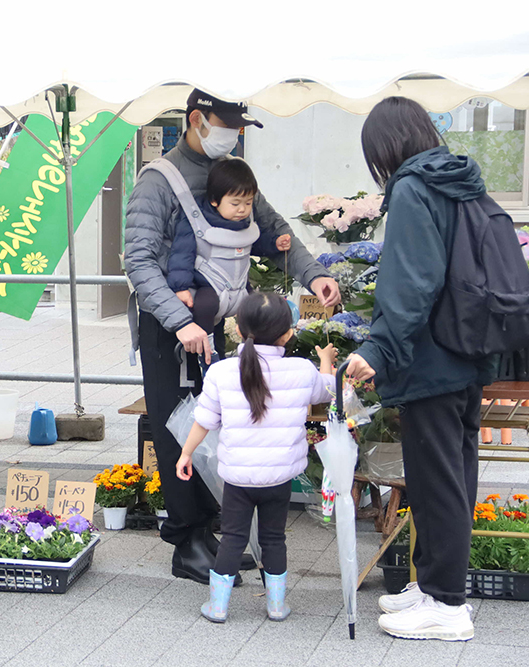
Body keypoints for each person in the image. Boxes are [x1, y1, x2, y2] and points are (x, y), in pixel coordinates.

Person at [124, 88, 341, 586]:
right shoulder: (159, 181)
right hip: (172, 329)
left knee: (215, 422)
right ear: (197, 120)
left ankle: (210, 530)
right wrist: (181, 323)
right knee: (177, 426)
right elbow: (138, 260)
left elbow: (276, 229)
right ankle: (186, 539)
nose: (234, 135)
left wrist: (313, 275)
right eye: (227, 124)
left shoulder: (234, 176)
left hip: (216, 326)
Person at [346, 96, 496, 642]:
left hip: (431, 356)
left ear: (388, 145)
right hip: (468, 351)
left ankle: (447, 604)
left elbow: (412, 281)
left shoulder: (413, 188)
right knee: (452, 476)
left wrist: (377, 350)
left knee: (437, 482)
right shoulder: (459, 180)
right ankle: (434, 585)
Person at [175, 292, 336, 622]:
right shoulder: (301, 370)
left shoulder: (222, 372)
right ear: (288, 333)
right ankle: (276, 606)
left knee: (233, 538)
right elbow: (328, 389)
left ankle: (218, 607)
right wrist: (326, 360)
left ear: (239, 328)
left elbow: (203, 420)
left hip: (237, 477)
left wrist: (185, 453)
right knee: (274, 538)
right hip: (279, 478)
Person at [166, 158, 292, 368]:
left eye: (248, 203)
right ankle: (208, 355)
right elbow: (181, 254)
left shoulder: (245, 223)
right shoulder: (195, 220)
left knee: (258, 312)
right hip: (211, 285)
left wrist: (275, 243)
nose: (242, 209)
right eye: (235, 203)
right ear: (215, 200)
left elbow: (255, 242)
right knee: (205, 307)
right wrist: (181, 287)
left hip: (241, 285)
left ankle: (259, 356)